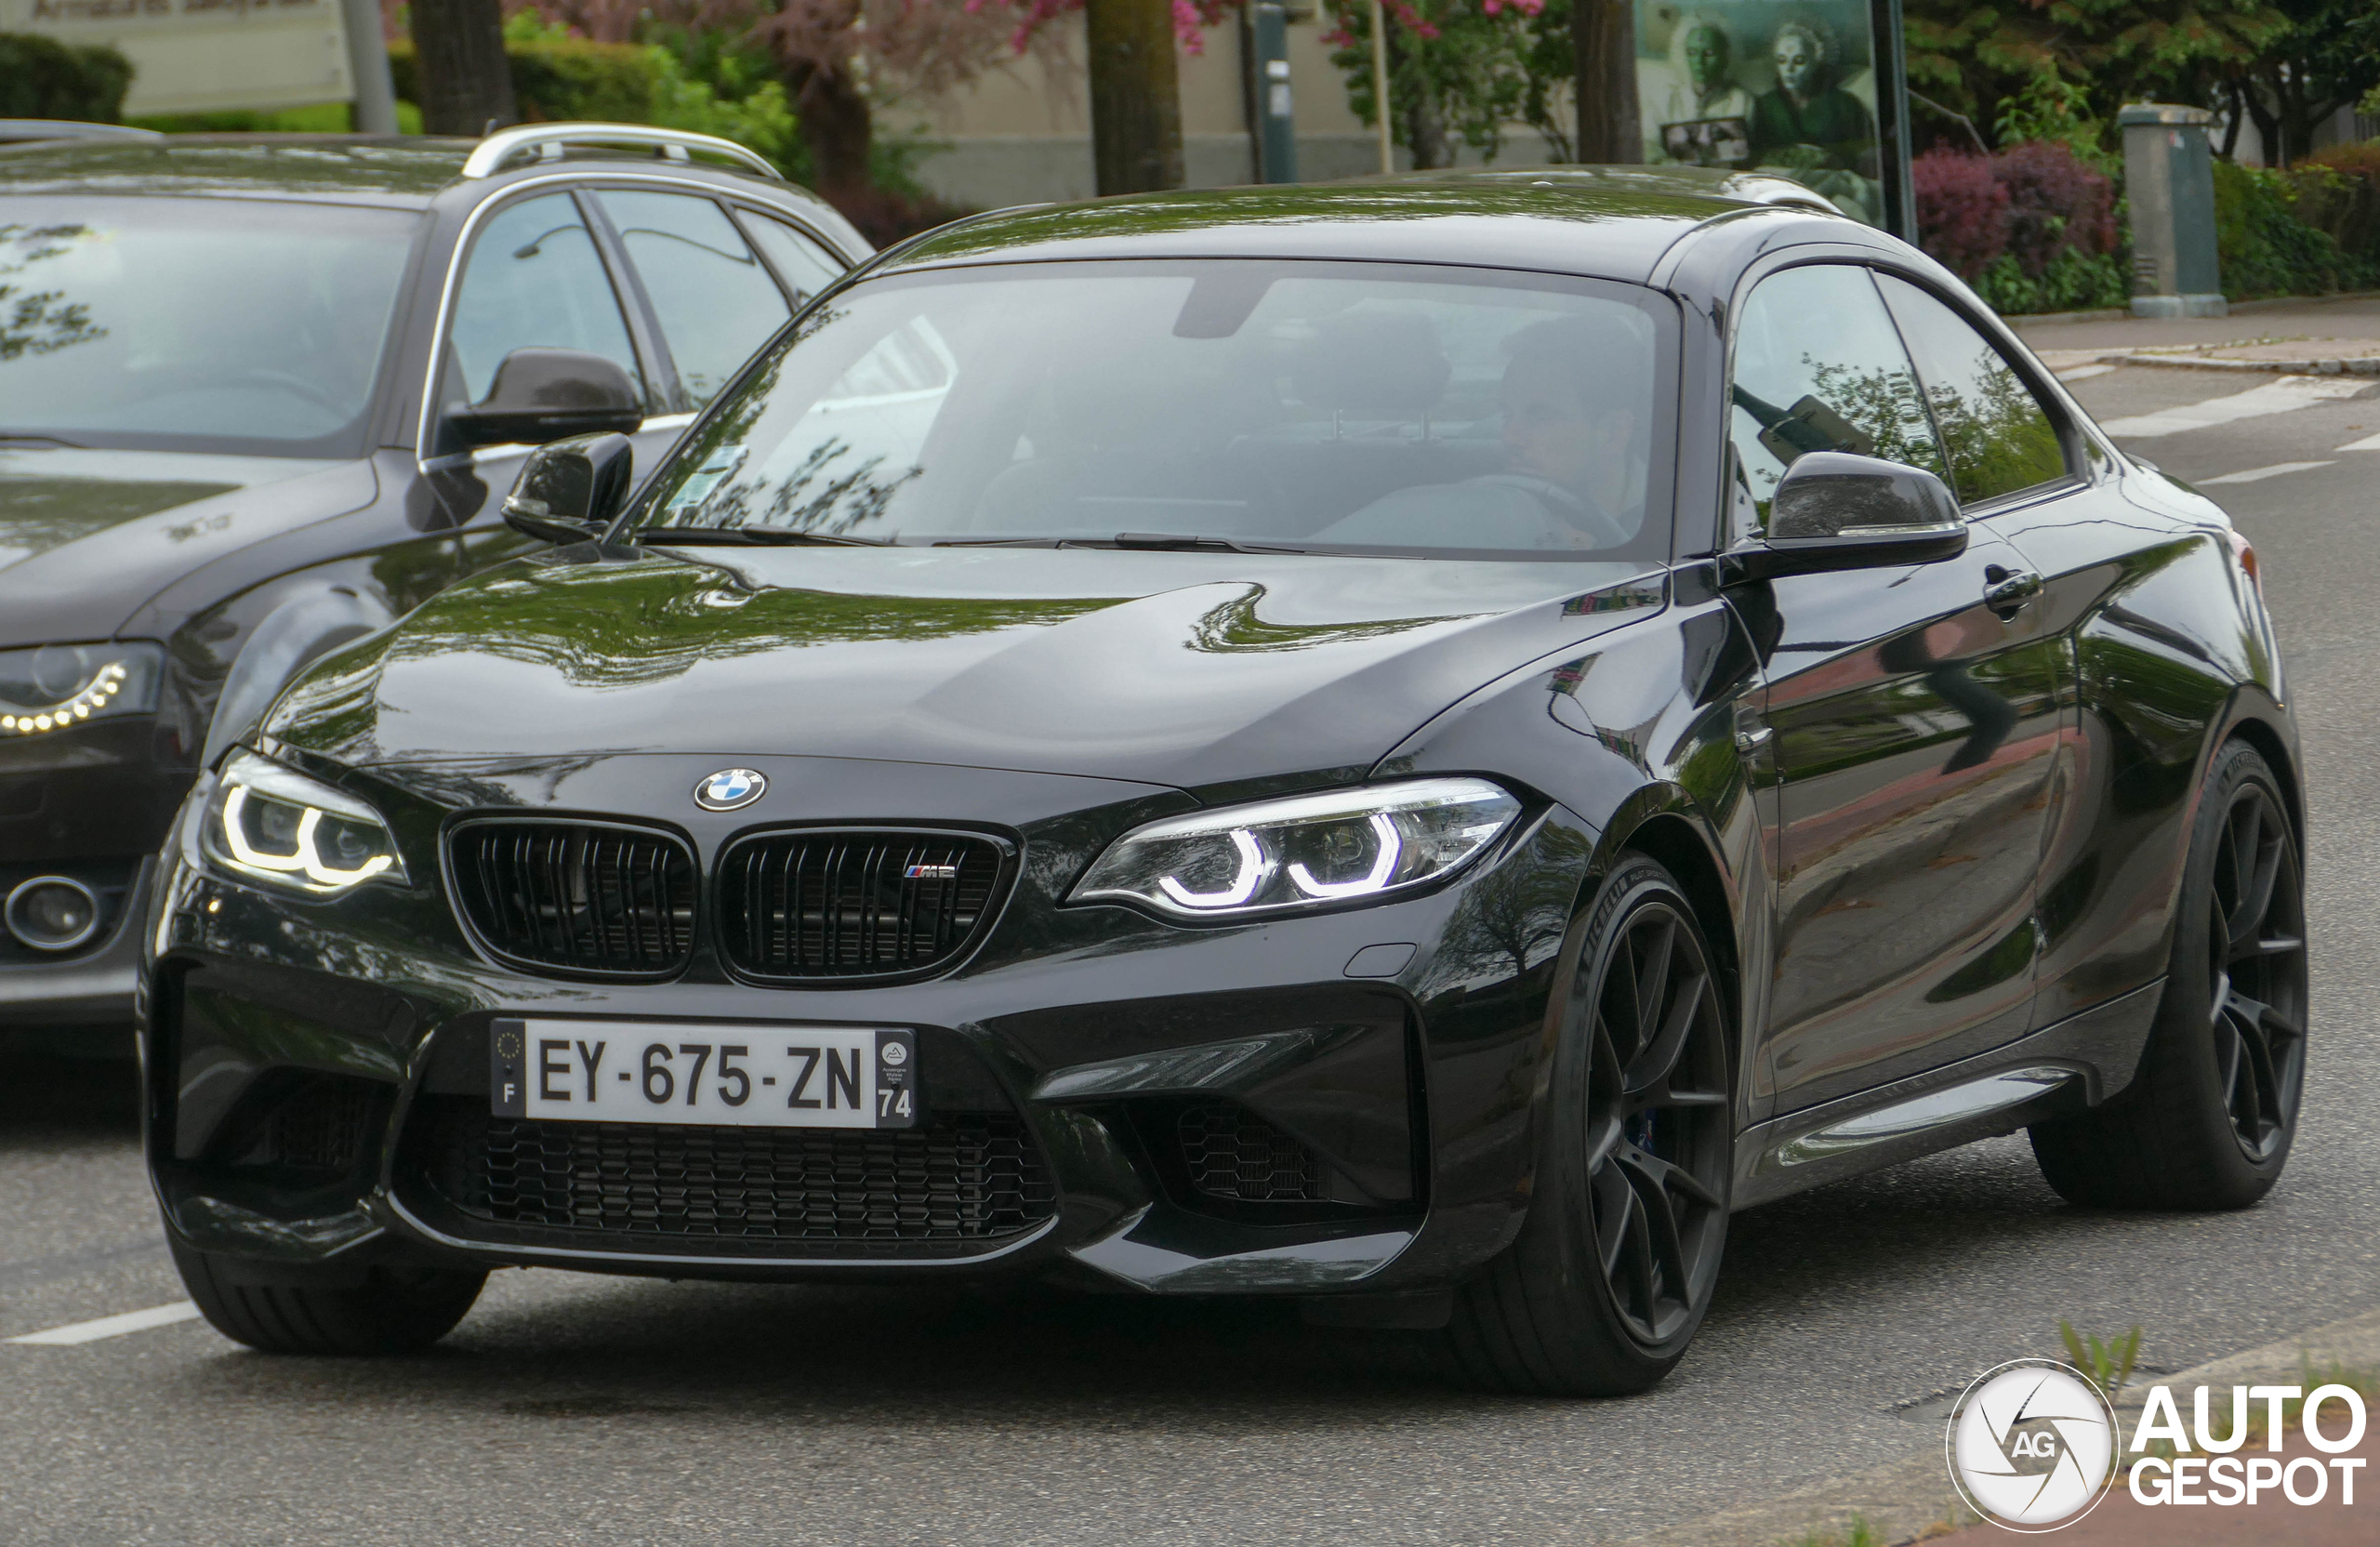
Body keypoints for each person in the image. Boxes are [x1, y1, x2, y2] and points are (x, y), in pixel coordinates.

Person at [1315, 315, 1646, 551]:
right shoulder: (1469, 519)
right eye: (1506, 414)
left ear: (1614, 432)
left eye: (1541, 417)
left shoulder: (1677, 529)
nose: (1510, 437)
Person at [1748, 20, 1876, 176]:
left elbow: (1866, 154)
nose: (1788, 69)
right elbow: (1753, 154)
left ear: (1817, 60)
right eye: (1782, 60)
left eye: (1799, 61)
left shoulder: (1844, 104)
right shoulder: (1765, 105)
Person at [1642, 14, 1754, 165]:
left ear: (1726, 57)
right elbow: (1647, 147)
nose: (1699, 62)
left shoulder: (1741, 100)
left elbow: (1741, 154)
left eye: (1709, 53)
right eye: (1692, 53)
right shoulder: (1663, 98)